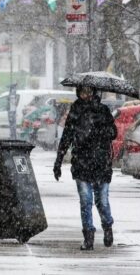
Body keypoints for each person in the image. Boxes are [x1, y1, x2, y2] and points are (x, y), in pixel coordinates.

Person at [53, 86, 117, 251]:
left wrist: (100, 126)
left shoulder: (103, 110)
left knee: (102, 201)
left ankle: (107, 226)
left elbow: (113, 133)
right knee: (86, 201)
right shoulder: (76, 110)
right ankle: (88, 236)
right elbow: (67, 136)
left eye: (89, 92)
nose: (85, 95)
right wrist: (58, 161)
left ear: (95, 93)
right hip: (82, 163)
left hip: (101, 163)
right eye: (82, 92)